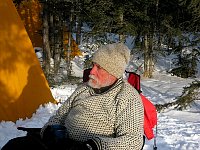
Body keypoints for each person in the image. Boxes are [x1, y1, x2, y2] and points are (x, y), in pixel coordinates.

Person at [2, 42, 144, 150]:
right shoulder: (84, 88)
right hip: (62, 144)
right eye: (93, 65)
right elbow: (59, 116)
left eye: (99, 67)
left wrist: (95, 145)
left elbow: (133, 141)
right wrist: (49, 130)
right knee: (15, 146)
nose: (91, 72)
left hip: (91, 149)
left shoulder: (127, 97)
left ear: (112, 72)